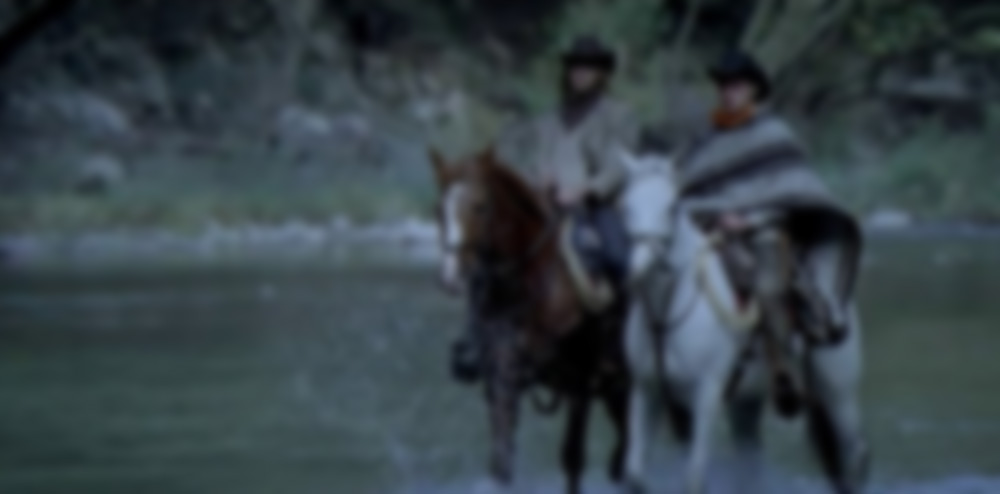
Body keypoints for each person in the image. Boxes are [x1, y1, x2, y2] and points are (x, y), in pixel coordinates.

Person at [673, 50, 863, 412]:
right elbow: (686, 189)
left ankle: (783, 369)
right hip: (710, 230)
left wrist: (750, 220)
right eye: (723, 85)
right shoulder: (705, 139)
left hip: (765, 228)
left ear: (753, 90)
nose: (728, 92)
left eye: (736, 85)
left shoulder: (774, 134)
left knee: (767, 283)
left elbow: (795, 191)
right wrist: (712, 217)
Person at [499, 35, 640, 293]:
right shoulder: (547, 118)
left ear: (601, 72)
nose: (580, 71)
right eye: (575, 65)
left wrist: (584, 189)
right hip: (545, 203)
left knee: (617, 257)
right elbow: (529, 162)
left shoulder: (619, 114)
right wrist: (537, 179)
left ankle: (623, 311)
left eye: (588, 66)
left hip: (595, 205)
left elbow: (619, 165)